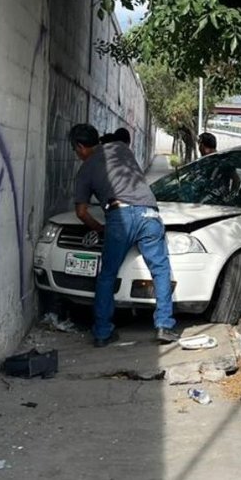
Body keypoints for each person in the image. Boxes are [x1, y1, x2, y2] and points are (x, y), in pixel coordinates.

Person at [70, 124, 179, 347]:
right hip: (149, 214)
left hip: (120, 217)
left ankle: (102, 333)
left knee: (107, 274)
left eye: (75, 150)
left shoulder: (85, 170)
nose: (77, 155)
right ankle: (164, 326)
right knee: (160, 270)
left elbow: (81, 213)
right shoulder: (120, 148)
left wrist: (99, 228)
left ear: (80, 147)